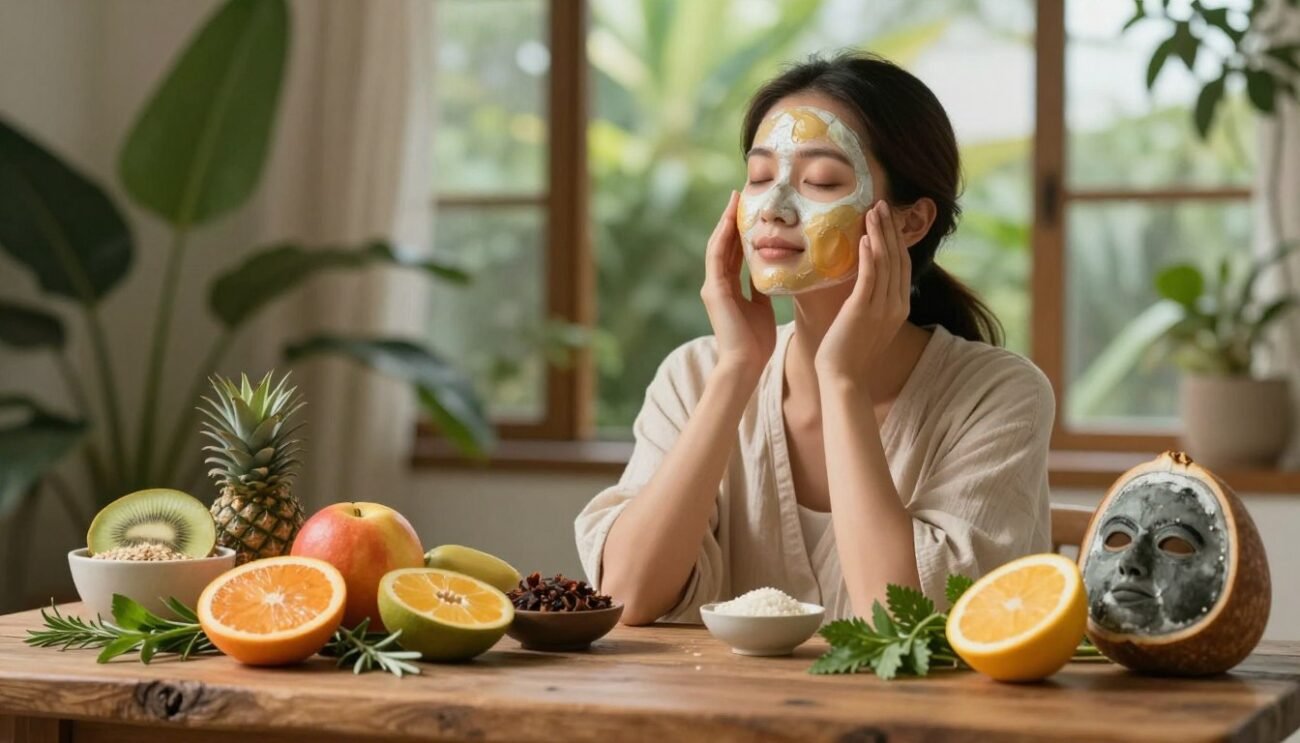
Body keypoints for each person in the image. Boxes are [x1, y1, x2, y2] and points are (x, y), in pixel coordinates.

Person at [575, 52, 1054, 625]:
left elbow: (908, 623)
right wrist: (736, 371)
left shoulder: (998, 394)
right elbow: (627, 594)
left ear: (911, 222)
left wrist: (842, 380)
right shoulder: (696, 375)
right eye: (758, 177)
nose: (774, 209)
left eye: (821, 181)